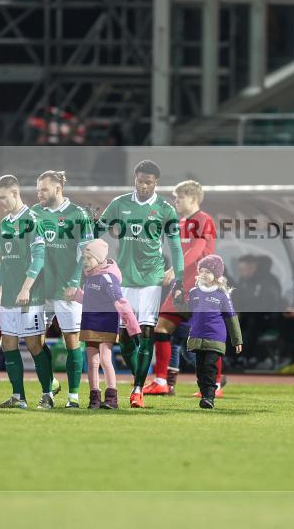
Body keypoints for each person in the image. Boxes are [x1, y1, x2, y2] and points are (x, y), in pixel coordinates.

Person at [97, 160, 184, 408]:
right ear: (134, 179)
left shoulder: (165, 209)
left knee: (146, 333)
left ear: (156, 183)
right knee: (124, 339)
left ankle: (137, 390)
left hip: (151, 280)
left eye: (148, 182)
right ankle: (140, 377)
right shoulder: (119, 203)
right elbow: (97, 231)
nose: (144, 185)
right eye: (140, 180)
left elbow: (176, 248)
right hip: (123, 279)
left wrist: (179, 279)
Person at [0, 174, 57, 410]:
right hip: (8, 294)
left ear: (15, 193)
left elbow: (39, 259)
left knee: (34, 344)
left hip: (31, 295)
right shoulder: (4, 224)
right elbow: (4, 262)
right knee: (7, 343)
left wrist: (26, 288)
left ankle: (48, 394)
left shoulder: (33, 220)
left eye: (2, 198)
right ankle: (18, 397)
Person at [146, 180, 216, 396]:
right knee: (161, 329)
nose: (175, 201)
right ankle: (160, 381)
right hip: (182, 285)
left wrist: (174, 270)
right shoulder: (182, 223)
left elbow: (197, 250)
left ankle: (216, 384)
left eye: (180, 197)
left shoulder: (205, 220)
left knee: (206, 338)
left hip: (200, 285)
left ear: (193, 198)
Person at [31, 170, 94, 408]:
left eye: (43, 189)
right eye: (37, 190)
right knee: (35, 341)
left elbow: (85, 251)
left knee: (72, 342)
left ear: (57, 189)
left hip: (67, 287)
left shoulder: (79, 214)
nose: (39, 194)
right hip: (41, 288)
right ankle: (49, 389)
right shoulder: (35, 214)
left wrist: (75, 282)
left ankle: (73, 397)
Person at [78, 238, 140, 409]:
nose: (85, 262)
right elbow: (89, 300)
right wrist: (75, 295)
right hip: (89, 323)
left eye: (88, 258)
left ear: (99, 258)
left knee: (105, 359)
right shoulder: (90, 278)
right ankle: (94, 399)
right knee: (91, 362)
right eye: (83, 259)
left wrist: (133, 328)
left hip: (106, 324)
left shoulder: (108, 277)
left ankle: (112, 398)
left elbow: (121, 303)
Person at [178, 255, 243, 409]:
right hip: (197, 337)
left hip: (215, 338)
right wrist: (179, 301)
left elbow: (231, 318)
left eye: (208, 271)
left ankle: (209, 397)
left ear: (216, 275)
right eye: (202, 270)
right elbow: (187, 313)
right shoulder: (194, 292)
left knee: (209, 366)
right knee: (200, 370)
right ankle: (205, 393)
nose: (204, 274)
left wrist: (237, 339)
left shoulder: (222, 295)